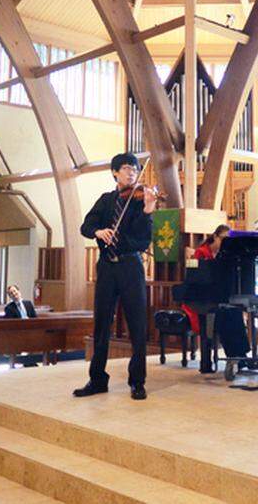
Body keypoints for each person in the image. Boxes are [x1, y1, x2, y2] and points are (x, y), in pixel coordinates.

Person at [74, 152, 159, 401]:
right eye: (126, 168)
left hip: (131, 267)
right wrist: (99, 231)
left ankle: (138, 381)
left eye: (135, 168)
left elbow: (143, 240)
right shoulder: (106, 200)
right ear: (114, 172)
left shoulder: (140, 200)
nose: (132, 172)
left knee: (137, 324)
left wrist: (148, 210)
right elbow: (85, 226)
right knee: (101, 324)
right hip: (107, 268)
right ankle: (97, 379)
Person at [183, 224, 232, 335]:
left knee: (231, 310)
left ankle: (235, 350)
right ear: (215, 237)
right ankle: (212, 344)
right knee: (223, 312)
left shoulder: (223, 255)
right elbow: (194, 275)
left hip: (215, 294)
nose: (225, 243)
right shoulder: (201, 252)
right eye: (223, 239)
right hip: (200, 296)